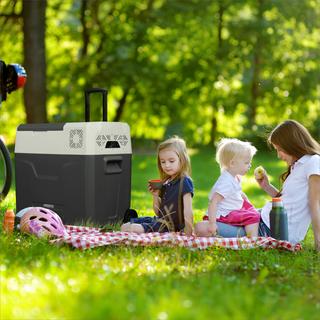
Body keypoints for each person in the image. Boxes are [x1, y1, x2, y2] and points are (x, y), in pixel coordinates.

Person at [215, 120, 320, 251]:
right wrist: (267, 186)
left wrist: (318, 242)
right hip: (264, 219)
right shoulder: (297, 165)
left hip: (270, 230)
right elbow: (288, 201)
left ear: (292, 144)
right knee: (220, 217)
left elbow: (315, 204)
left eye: (280, 150)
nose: (278, 155)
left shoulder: (313, 162)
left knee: (209, 227)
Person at [121, 136, 194, 235]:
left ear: (182, 160)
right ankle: (131, 220)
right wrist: (155, 195)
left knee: (126, 227)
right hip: (159, 221)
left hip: (167, 226)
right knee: (144, 220)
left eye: (171, 161)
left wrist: (188, 231)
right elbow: (158, 212)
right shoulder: (166, 182)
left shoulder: (184, 182)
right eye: (163, 162)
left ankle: (130, 223)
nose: (167, 165)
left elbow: (188, 210)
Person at [195, 138, 260, 237]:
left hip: (232, 209)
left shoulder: (234, 177)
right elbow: (214, 202)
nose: (250, 165)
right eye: (246, 163)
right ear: (232, 164)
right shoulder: (226, 182)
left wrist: (246, 201)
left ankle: (249, 234)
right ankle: (252, 238)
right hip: (225, 215)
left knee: (251, 211)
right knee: (253, 216)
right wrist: (212, 223)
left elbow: (238, 192)